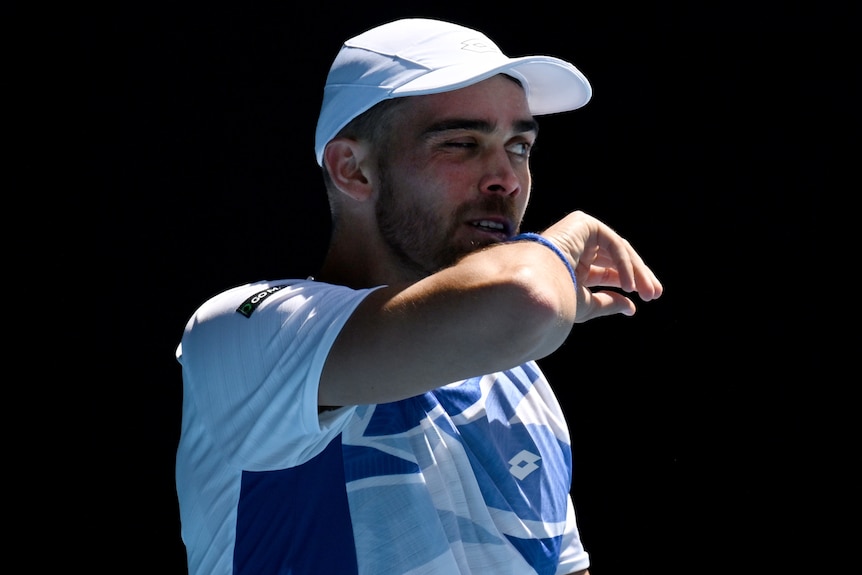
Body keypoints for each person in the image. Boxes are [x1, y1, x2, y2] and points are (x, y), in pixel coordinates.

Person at [175, 17, 663, 575]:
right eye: (462, 143)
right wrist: (561, 245)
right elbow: (528, 299)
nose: (506, 177)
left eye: (520, 146)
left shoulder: (522, 382)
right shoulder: (247, 330)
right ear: (352, 169)